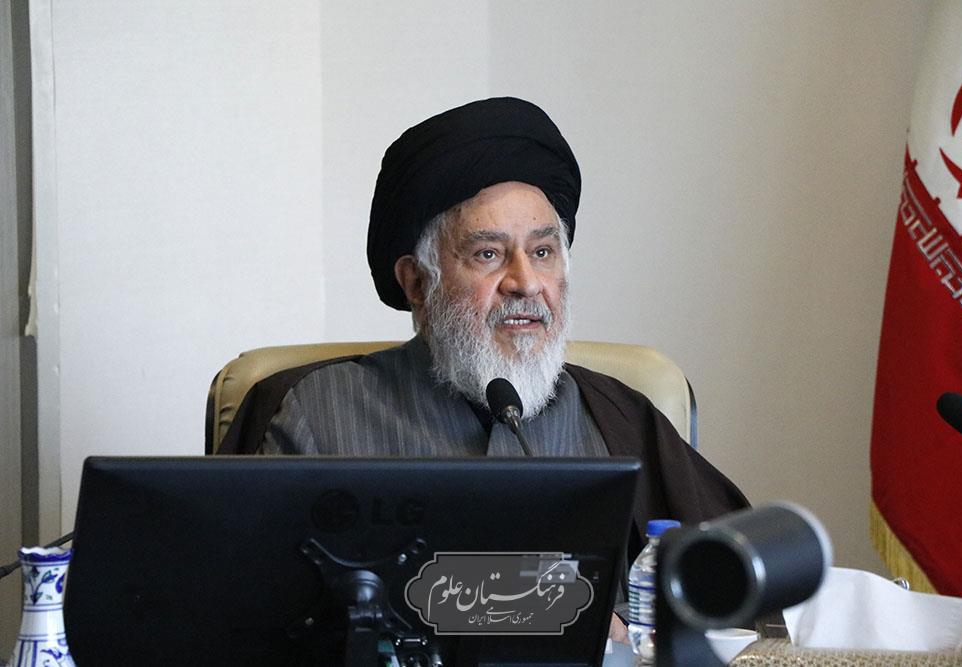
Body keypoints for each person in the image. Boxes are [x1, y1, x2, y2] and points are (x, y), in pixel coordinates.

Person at [217, 97, 749, 641]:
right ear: (417, 283)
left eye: (542, 252)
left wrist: (631, 633)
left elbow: (735, 590)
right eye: (489, 254)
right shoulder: (321, 409)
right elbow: (249, 611)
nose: (525, 282)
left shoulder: (618, 417)